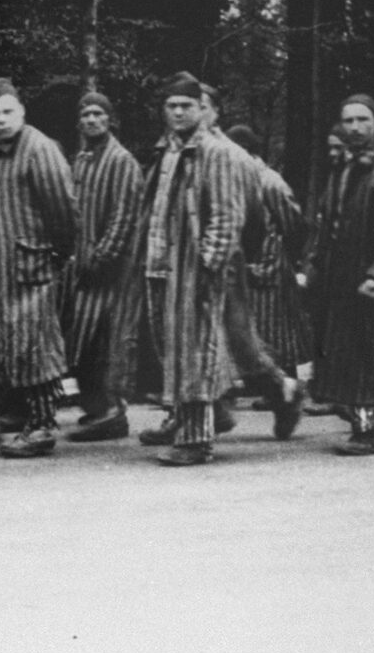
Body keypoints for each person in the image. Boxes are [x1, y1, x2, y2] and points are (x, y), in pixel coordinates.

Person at [0, 79, 77, 458]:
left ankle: (42, 427)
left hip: (31, 268)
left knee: (33, 348)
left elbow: (64, 210)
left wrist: (56, 256)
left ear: (21, 111)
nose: (1, 119)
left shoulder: (39, 149)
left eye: (8, 112)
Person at [136, 72, 246, 466]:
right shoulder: (167, 151)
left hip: (193, 270)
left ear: (202, 109)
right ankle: (191, 419)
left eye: (187, 105)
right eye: (172, 106)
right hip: (161, 265)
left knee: (195, 352)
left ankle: (197, 440)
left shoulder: (214, 152)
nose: (179, 112)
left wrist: (207, 268)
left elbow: (227, 217)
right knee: (173, 351)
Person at [304, 95, 374, 454]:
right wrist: (316, 264)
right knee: (348, 350)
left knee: (371, 351)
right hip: (341, 275)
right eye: (348, 120)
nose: (354, 127)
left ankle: (369, 431)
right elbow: (328, 220)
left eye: (362, 119)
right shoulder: (344, 166)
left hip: (372, 279)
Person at [61, 92, 143, 442]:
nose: (91, 120)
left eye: (98, 113)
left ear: (110, 119)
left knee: (108, 341)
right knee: (83, 339)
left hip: (113, 271)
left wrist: (101, 257)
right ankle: (97, 408)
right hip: (84, 267)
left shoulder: (121, 161)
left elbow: (125, 216)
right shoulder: (82, 160)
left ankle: (113, 411)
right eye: (85, 115)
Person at [226, 124, 311, 379]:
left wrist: (279, 253)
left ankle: (284, 382)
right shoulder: (233, 180)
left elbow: (293, 223)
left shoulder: (270, 181)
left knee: (277, 331)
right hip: (242, 265)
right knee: (250, 329)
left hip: (270, 266)